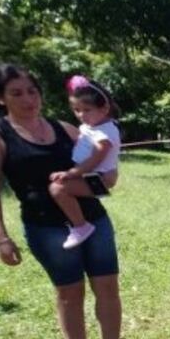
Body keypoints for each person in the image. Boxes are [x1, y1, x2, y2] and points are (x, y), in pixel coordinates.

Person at [0, 64, 137, 339]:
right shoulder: (3, 136)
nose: (28, 99)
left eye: (32, 91)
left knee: (107, 287)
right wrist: (2, 238)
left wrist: (106, 181)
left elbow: (105, 168)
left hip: (94, 219)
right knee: (69, 293)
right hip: (46, 227)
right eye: (16, 93)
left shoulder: (65, 128)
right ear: (2, 99)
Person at [47, 75, 122, 250]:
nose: (81, 115)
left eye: (87, 110)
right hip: (91, 175)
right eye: (76, 109)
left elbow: (94, 160)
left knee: (58, 189)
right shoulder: (93, 127)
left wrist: (70, 173)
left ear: (104, 109)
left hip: (100, 178)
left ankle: (81, 226)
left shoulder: (104, 135)